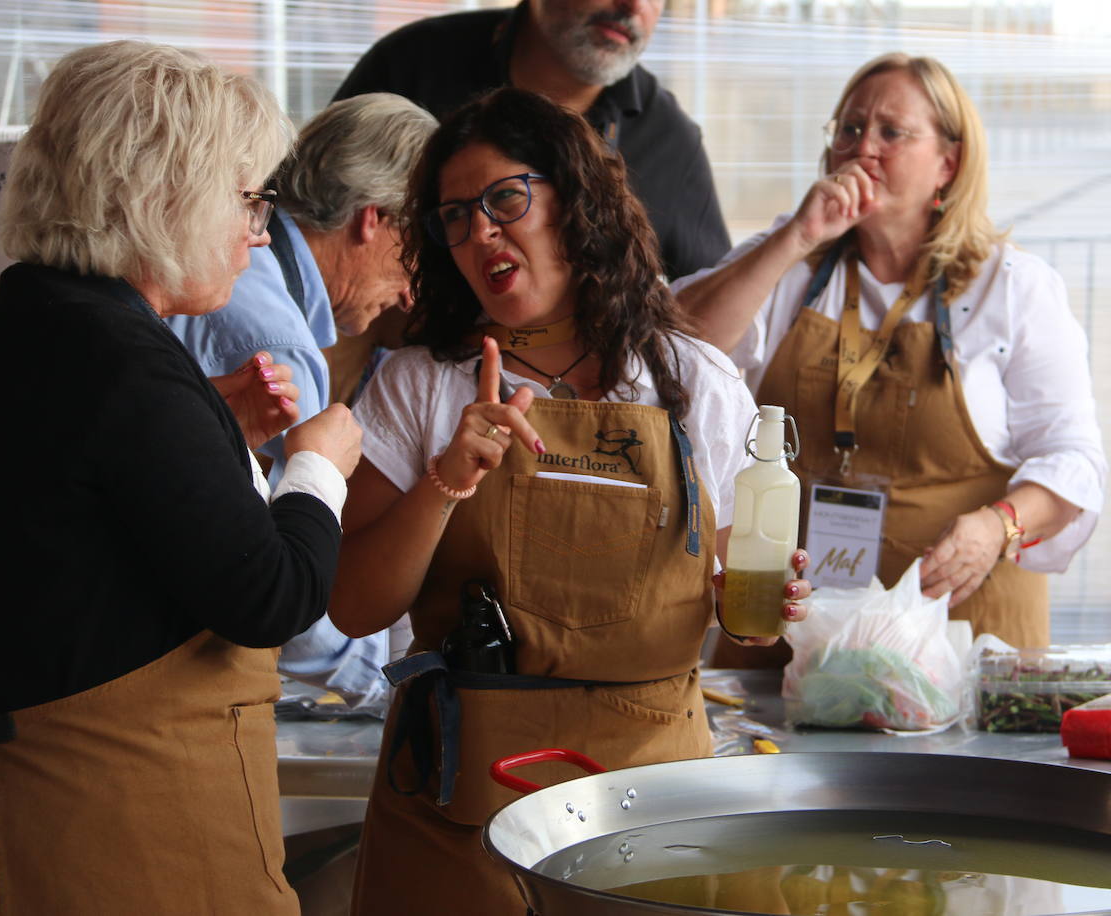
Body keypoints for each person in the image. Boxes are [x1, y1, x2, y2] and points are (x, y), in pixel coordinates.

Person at [326, 87, 808, 913]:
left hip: (654, 799)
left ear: (575, 203)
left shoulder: (689, 381)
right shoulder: (420, 388)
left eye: (504, 198)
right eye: (452, 216)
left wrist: (756, 595)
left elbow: (733, 598)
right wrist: (446, 481)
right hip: (461, 798)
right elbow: (352, 605)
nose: (479, 232)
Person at [0, 41, 361, 914]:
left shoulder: (32, 316)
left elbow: (75, 511)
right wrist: (318, 463)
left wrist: (209, 431)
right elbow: (270, 594)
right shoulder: (124, 360)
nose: (258, 234)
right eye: (247, 201)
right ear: (160, 196)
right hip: (124, 818)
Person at [674, 52, 1106, 651]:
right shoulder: (791, 261)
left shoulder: (1010, 287)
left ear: (948, 164)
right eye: (848, 129)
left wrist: (998, 527)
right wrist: (795, 237)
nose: (862, 149)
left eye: (890, 133)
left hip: (963, 638)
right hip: (801, 639)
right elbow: (671, 351)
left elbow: (1075, 461)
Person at [167, 92, 438, 709]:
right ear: (372, 218)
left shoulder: (263, 293)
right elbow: (293, 598)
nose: (408, 297)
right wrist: (390, 682)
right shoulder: (276, 340)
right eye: (419, 250)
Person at [331, 0, 729, 283]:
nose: (633, 5)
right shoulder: (411, 64)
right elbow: (311, 218)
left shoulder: (671, 141)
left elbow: (704, 303)